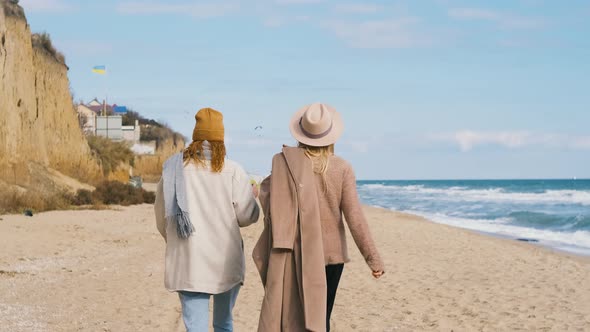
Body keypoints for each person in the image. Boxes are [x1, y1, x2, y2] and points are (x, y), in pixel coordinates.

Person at [253, 103, 385, 332]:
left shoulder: (285, 165)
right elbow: (355, 217)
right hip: (330, 257)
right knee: (320, 318)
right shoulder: (341, 168)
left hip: (295, 253)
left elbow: (270, 204)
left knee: (294, 318)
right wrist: (373, 259)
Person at [154, 107, 260, 332]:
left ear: (196, 137)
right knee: (224, 324)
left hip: (189, 259)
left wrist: (177, 241)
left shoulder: (174, 169)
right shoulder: (233, 170)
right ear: (221, 139)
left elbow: (163, 219)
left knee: (196, 328)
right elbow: (247, 216)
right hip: (225, 260)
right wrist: (254, 198)